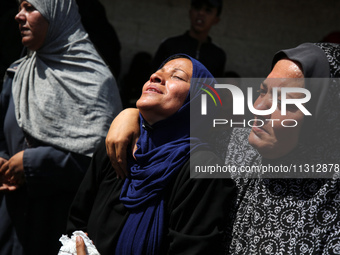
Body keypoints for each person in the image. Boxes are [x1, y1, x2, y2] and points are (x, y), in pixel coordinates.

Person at [105, 42, 340, 254]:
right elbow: (177, 125)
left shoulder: (331, 210)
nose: (258, 108)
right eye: (262, 92)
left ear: (323, 120)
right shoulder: (235, 148)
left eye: (283, 102)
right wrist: (133, 116)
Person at [67, 54, 235, 255]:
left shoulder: (203, 169)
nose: (155, 76)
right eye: (158, 71)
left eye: (178, 77)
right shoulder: (118, 147)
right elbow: (76, 224)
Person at [0, 0, 122, 254]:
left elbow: (102, 162)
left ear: (57, 16)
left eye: (30, 8)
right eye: (19, 7)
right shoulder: (17, 73)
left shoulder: (96, 83)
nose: (18, 16)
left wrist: (34, 163)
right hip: (8, 216)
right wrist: (2, 160)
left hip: (53, 225)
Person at [152, 0, 226, 77]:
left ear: (216, 20)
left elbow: (215, 86)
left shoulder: (218, 55)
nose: (201, 13)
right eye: (197, 8)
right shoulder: (169, 45)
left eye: (208, 10)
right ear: (190, 12)